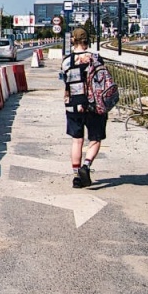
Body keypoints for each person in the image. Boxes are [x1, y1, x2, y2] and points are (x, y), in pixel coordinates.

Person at [61, 27, 106, 188]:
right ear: (87, 40)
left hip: (73, 103)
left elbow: (64, 80)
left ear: (73, 40)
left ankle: (76, 176)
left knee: (77, 140)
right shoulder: (96, 58)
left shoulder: (66, 61)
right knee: (95, 138)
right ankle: (86, 166)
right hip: (94, 104)